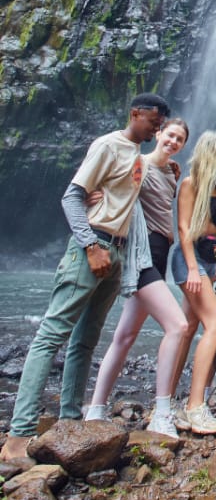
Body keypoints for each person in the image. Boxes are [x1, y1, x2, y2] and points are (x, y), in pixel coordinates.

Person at [1, 93, 169, 462]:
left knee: (85, 340)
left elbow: (119, 197)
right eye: (153, 121)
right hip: (92, 249)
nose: (157, 128)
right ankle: (18, 436)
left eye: (161, 125)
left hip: (118, 252)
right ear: (135, 113)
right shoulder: (108, 145)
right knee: (51, 335)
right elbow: (71, 196)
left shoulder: (136, 157)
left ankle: (70, 421)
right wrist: (91, 245)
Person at [85, 118, 191, 437]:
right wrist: (96, 194)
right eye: (170, 135)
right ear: (158, 134)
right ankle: (161, 412)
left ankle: (96, 409)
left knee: (125, 336)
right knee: (179, 326)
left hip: (159, 255)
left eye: (180, 139)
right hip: (142, 255)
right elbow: (110, 183)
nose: (173, 141)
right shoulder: (138, 164)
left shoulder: (173, 173)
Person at [169, 131, 216, 435]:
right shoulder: (190, 184)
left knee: (188, 328)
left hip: (208, 261)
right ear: (211, 152)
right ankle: (196, 406)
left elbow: (213, 232)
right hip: (189, 259)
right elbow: (184, 229)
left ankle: (167, 401)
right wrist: (194, 270)